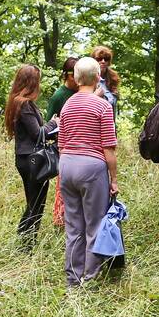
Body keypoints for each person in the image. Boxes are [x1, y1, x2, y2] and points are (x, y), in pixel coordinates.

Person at [58, 56, 118, 287]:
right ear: (98, 78)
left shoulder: (67, 105)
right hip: (91, 167)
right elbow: (108, 148)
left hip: (67, 165)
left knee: (73, 226)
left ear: (75, 77)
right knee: (95, 224)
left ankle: (73, 278)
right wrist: (113, 179)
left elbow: (61, 143)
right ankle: (90, 278)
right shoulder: (102, 106)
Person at [5, 64, 59, 248]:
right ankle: (27, 242)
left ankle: (25, 236)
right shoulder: (24, 104)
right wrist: (53, 123)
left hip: (25, 157)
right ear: (31, 83)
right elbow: (37, 133)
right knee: (37, 202)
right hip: (33, 159)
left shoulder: (16, 101)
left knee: (33, 200)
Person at [46, 56, 79, 228]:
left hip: (80, 151)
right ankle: (61, 223)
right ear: (67, 75)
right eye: (75, 74)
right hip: (64, 149)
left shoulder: (82, 93)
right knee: (64, 191)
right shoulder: (58, 97)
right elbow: (47, 127)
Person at [91, 45, 120, 116]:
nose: (103, 61)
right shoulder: (88, 78)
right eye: (99, 59)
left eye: (106, 59)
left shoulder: (113, 79)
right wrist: (94, 96)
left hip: (109, 123)